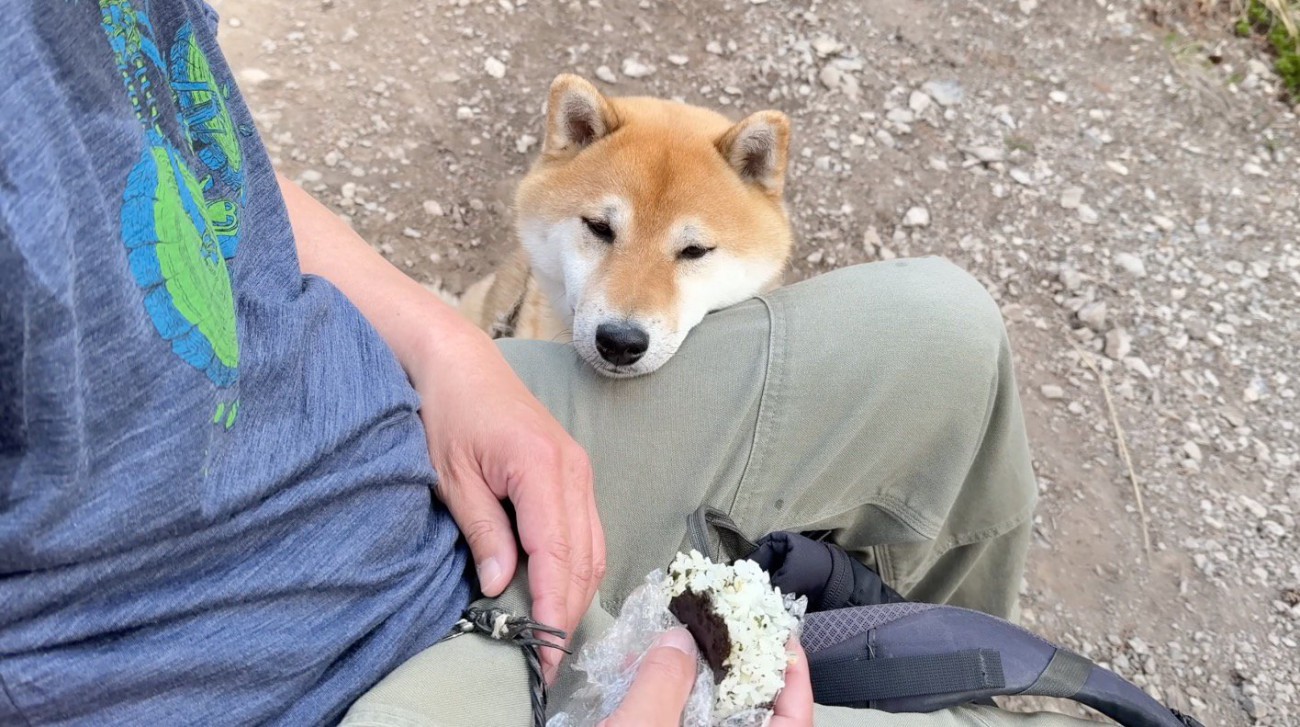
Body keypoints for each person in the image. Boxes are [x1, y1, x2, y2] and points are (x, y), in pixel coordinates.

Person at [0, 1, 1098, 725]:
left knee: (944, 334)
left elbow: (184, 146)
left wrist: (444, 344)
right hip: (295, 675)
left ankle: (935, 673)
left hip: (390, 439)